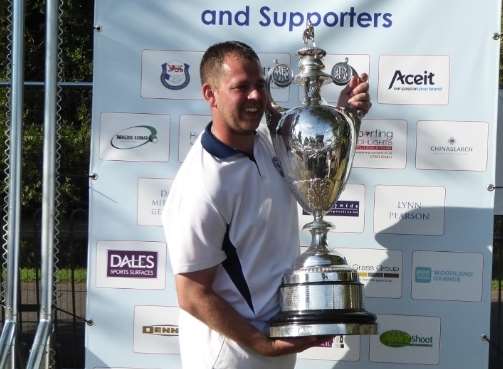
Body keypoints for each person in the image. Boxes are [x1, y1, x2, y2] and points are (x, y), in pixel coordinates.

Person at [162, 41, 371, 369]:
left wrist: (345, 114)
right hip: (230, 354)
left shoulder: (269, 144)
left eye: (259, 84)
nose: (255, 96)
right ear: (210, 94)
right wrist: (263, 344)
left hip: (274, 345)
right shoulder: (201, 183)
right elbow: (192, 294)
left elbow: (315, 158)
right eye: (240, 87)